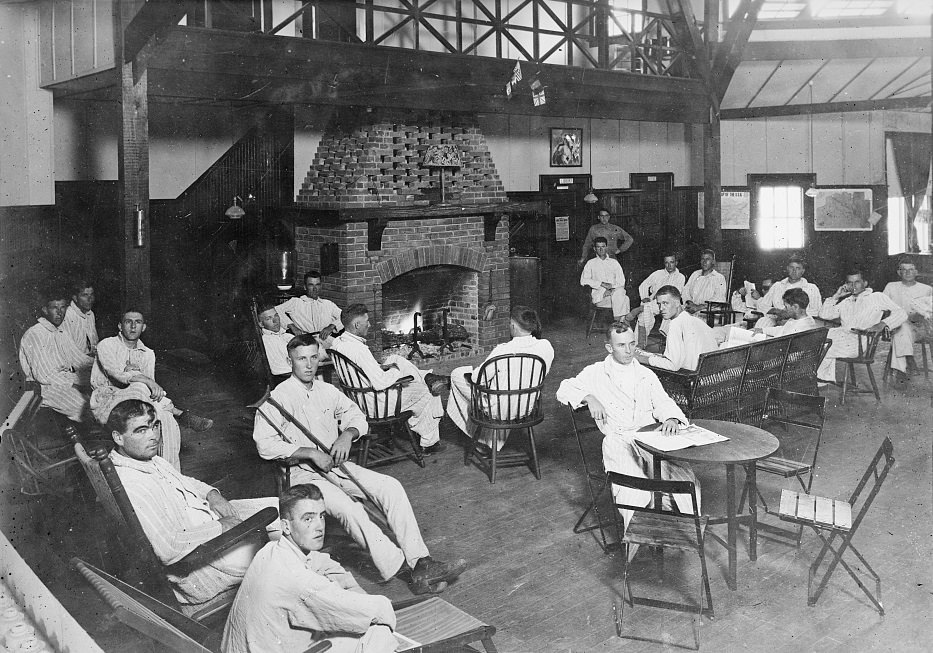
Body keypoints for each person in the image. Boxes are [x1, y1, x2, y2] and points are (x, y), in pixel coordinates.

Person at [253, 334, 466, 595]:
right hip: (302, 475)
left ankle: (421, 561)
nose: (308, 365)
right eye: (300, 359)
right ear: (290, 361)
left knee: (391, 486)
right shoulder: (278, 398)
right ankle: (411, 573)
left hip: (335, 465)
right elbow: (264, 445)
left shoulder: (326, 390)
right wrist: (308, 452)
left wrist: (347, 434)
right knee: (350, 509)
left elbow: (356, 415)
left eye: (312, 357)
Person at [107, 399, 279, 614]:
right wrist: (222, 526)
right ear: (118, 437)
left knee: (284, 508)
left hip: (209, 520)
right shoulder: (132, 484)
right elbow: (168, 548)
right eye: (141, 430)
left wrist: (212, 494)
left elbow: (186, 482)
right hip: (209, 560)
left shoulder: (148, 461)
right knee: (288, 539)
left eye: (155, 426)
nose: (153, 435)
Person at [221, 484, 399, 653]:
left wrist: (349, 587)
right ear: (285, 526)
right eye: (308, 518)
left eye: (321, 516)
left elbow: (320, 561)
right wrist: (372, 604)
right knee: (378, 631)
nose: (319, 526)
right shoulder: (299, 581)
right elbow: (374, 610)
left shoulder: (270, 550)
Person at [556, 323, 698, 532]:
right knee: (637, 492)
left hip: (650, 437)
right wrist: (588, 397)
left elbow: (663, 401)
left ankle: (678, 530)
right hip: (619, 440)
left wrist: (671, 419)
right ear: (609, 348)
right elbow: (564, 388)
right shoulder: (596, 373)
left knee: (686, 482)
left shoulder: (645, 374)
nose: (629, 350)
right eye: (621, 345)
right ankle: (637, 536)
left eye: (632, 344)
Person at [91, 309, 213, 471]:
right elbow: (117, 375)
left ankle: (172, 474)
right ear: (120, 326)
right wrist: (142, 377)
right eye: (128, 322)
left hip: (138, 403)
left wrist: (143, 379)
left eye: (138, 322)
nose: (133, 326)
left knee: (166, 418)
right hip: (107, 401)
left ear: (144, 327)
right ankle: (179, 413)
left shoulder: (148, 354)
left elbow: (152, 393)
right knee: (142, 387)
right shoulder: (106, 344)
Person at [330, 304, 445, 453]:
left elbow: (362, 371)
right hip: (376, 404)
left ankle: (427, 376)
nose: (370, 325)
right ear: (357, 324)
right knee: (427, 391)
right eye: (367, 321)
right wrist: (395, 371)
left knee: (395, 357)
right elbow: (379, 383)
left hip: (359, 397)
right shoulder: (359, 350)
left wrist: (385, 367)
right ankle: (429, 443)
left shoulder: (338, 343)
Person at [446, 306, 554, 451]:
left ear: (514, 326)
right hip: (526, 408)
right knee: (508, 387)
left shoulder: (502, 350)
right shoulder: (546, 347)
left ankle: (484, 440)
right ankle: (492, 443)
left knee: (457, 374)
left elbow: (478, 379)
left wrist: (471, 374)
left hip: (498, 411)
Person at [817, 270, 907, 385]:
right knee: (815, 343)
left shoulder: (876, 297)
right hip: (841, 339)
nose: (853, 286)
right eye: (850, 283)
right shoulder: (847, 301)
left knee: (818, 348)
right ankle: (819, 379)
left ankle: (815, 379)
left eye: (857, 282)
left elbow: (902, 313)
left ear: (865, 283)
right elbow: (824, 315)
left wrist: (883, 324)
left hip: (858, 343)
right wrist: (836, 296)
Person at [18, 287, 94, 423]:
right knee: (82, 405)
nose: (60, 312)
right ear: (45, 310)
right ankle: (88, 439)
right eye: (55, 308)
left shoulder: (60, 331)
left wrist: (100, 365)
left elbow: (78, 359)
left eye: (63, 307)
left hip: (65, 379)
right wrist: (73, 384)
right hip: (44, 388)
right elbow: (44, 375)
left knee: (101, 388)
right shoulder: (35, 334)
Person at [635, 285, 717, 371]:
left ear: (677, 303)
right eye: (659, 304)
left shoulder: (676, 323)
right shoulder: (696, 321)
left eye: (665, 303)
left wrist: (639, 358)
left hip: (689, 377)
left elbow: (672, 365)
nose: (661, 308)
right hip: (707, 376)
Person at [883, 260, 933, 382]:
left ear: (916, 272)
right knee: (902, 328)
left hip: (920, 328)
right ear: (899, 272)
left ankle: (904, 366)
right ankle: (907, 363)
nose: (907, 272)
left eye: (911, 269)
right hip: (898, 326)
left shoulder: (927, 289)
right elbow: (881, 305)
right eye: (904, 269)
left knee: (902, 329)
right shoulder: (891, 286)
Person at [275, 271, 343, 350]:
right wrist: (291, 326)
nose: (315, 289)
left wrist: (332, 326)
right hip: (305, 342)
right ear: (305, 287)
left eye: (317, 285)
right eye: (311, 285)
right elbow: (276, 310)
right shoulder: (296, 302)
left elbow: (346, 317)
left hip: (325, 340)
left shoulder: (328, 304)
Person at [753, 256, 822, 329]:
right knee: (761, 324)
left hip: (799, 323)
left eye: (798, 268)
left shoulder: (811, 288)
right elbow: (762, 306)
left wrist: (791, 316)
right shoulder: (777, 286)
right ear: (787, 268)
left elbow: (816, 311)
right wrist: (777, 311)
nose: (794, 271)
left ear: (803, 271)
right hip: (777, 319)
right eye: (791, 267)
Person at [624, 253, 685, 327]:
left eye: (671, 262)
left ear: (676, 262)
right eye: (666, 262)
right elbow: (644, 285)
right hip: (652, 301)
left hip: (668, 303)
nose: (669, 265)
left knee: (664, 305)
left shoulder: (680, 277)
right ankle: (640, 337)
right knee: (644, 315)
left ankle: (638, 310)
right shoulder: (658, 273)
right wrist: (645, 296)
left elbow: (674, 294)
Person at [580, 237, 630, 322]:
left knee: (621, 294)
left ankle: (617, 321)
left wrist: (611, 289)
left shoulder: (614, 263)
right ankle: (621, 323)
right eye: (598, 247)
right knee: (625, 298)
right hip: (600, 297)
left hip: (614, 294)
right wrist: (601, 284)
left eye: (603, 246)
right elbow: (583, 281)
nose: (601, 249)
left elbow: (621, 281)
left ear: (606, 247)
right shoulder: (591, 263)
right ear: (594, 249)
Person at [682, 249, 727, 315]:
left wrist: (699, 307)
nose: (704, 262)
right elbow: (685, 291)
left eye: (708, 259)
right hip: (691, 310)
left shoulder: (719, 277)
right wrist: (689, 302)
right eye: (702, 259)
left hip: (708, 313)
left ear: (713, 262)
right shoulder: (695, 274)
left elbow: (719, 298)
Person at [257, 301, 295, 379]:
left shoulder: (287, 336)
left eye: (276, 316)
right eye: (268, 318)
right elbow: (281, 371)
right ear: (261, 324)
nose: (275, 321)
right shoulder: (266, 341)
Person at [61, 280, 98, 357]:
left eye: (91, 294)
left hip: (90, 360)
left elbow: (94, 344)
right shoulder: (67, 315)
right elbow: (69, 352)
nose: (90, 299)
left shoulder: (90, 314)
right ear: (75, 298)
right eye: (85, 295)